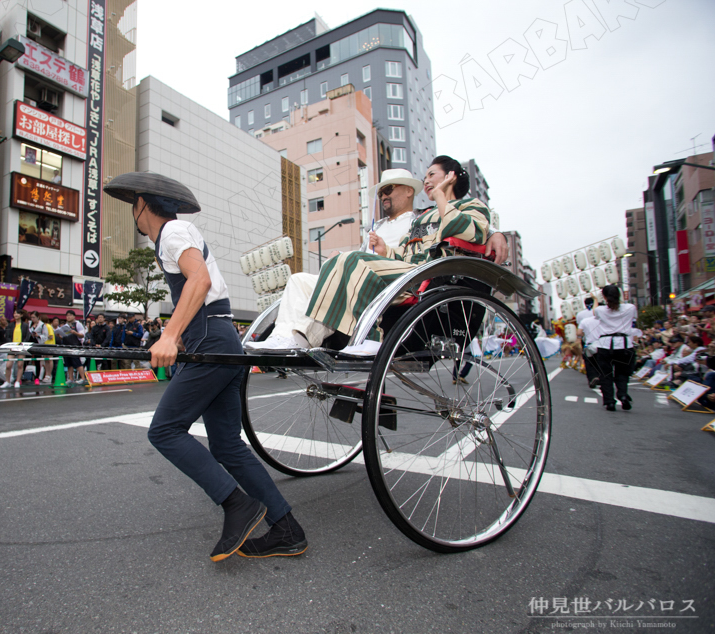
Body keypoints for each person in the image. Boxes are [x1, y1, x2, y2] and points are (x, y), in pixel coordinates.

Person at [104, 171, 307, 561]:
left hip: (213, 343)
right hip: (220, 339)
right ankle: (287, 528)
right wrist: (176, 335)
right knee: (228, 446)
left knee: (164, 431)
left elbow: (197, 280)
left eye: (133, 204)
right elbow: (203, 294)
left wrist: (169, 335)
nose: (133, 212)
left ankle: (237, 504)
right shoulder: (177, 235)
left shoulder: (174, 232)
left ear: (143, 204)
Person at [247, 158, 507, 352]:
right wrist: (386, 250)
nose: (427, 180)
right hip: (404, 272)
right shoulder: (423, 217)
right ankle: (290, 337)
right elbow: (405, 253)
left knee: (351, 261)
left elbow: (467, 231)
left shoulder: (469, 206)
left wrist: (443, 199)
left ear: (451, 176)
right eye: (425, 176)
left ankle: (355, 338)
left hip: (432, 278)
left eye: (432, 175)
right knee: (300, 279)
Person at [593, 284, 642, 411]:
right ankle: (623, 395)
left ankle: (609, 401)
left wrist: (596, 300)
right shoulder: (630, 308)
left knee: (605, 374)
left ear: (604, 296)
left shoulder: (600, 310)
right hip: (625, 344)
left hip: (605, 344)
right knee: (623, 373)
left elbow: (595, 314)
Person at [1, 309, 32, 389]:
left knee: (20, 365)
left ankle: (17, 381)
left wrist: (22, 344)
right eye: (15, 313)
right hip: (12, 347)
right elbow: (7, 336)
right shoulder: (10, 325)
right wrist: (11, 344)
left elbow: (27, 336)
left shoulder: (25, 325)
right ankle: (7, 381)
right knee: (8, 365)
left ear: (21, 315)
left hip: (21, 347)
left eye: (17, 313)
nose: (16, 315)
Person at [577, 298, 602, 389]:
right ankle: (601, 377)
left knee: (589, 362)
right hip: (603, 343)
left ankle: (592, 377)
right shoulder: (603, 318)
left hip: (589, 343)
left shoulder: (582, 316)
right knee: (601, 362)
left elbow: (579, 333)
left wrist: (585, 334)